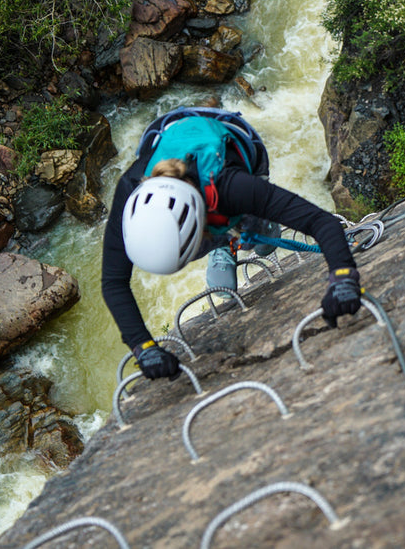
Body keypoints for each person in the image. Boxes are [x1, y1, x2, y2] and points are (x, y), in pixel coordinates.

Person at [101, 107, 363, 380]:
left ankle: (244, 232)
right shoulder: (132, 192)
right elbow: (113, 281)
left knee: (261, 243)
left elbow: (320, 222)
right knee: (215, 249)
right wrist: (144, 348)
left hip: (231, 155)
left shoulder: (233, 187)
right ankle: (224, 244)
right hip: (192, 181)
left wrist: (344, 277)